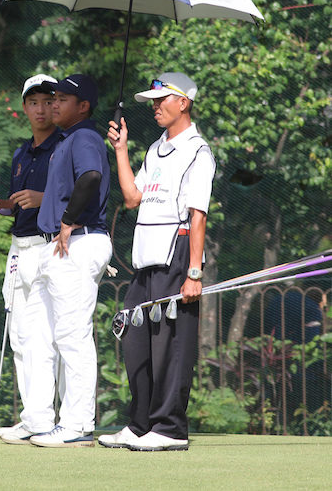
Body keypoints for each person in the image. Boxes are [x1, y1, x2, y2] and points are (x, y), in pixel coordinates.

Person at [99, 72, 216, 452]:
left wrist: (194, 273)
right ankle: (140, 425)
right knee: (137, 343)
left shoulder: (198, 151)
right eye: (152, 100)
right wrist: (121, 149)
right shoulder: (154, 148)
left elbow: (198, 216)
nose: (154, 106)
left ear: (183, 102)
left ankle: (170, 429)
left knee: (171, 345)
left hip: (177, 255)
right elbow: (132, 197)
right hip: (146, 259)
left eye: (161, 99)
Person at [8, 74, 112, 448]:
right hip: (60, 245)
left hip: (79, 240)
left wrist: (68, 221)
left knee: (72, 336)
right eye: (53, 99)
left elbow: (92, 176)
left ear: (82, 107)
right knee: (37, 333)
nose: (53, 105)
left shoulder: (83, 136)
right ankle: (38, 419)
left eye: (63, 99)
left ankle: (77, 423)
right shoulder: (68, 138)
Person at [0, 73, 61, 441]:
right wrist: (0, 204)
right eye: (34, 102)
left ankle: (45, 418)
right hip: (19, 247)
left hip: (50, 246)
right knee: (20, 337)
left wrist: (43, 199)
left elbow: (81, 197)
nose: (41, 109)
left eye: (48, 101)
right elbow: (16, 205)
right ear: (24, 107)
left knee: (44, 336)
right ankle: (32, 417)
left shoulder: (67, 146)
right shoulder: (20, 153)